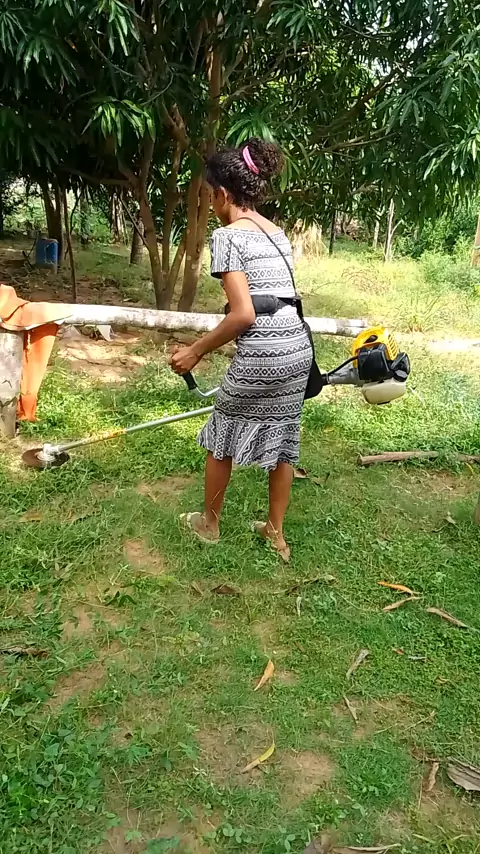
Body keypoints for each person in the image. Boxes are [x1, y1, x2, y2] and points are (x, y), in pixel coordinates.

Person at [170, 138, 312, 561]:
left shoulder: (228, 237)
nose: (210, 204)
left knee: (221, 435)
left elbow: (244, 314)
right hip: (296, 347)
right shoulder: (276, 232)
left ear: (222, 194)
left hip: (264, 350)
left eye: (209, 196)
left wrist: (196, 351)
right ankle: (275, 533)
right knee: (284, 439)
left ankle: (209, 524)